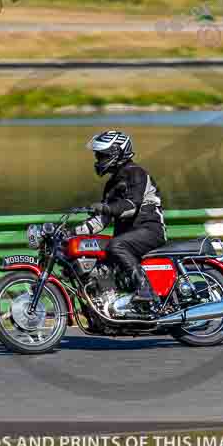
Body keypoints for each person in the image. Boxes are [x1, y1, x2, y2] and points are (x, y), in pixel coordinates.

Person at [75, 130, 167, 312]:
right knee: (98, 267)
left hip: (149, 229)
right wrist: (72, 233)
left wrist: (108, 208)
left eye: (102, 155)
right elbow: (101, 221)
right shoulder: (111, 184)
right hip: (128, 235)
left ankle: (146, 291)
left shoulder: (136, 173)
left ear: (117, 152)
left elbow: (132, 205)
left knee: (116, 246)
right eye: (97, 155)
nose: (98, 159)